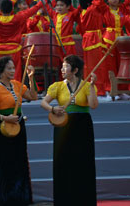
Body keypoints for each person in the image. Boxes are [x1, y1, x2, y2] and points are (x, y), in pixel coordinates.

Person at [40, 55, 98, 205]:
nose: (62, 69)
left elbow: (93, 105)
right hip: (63, 126)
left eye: (65, 67)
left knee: (83, 161)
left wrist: (92, 86)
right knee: (63, 161)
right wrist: (53, 109)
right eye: (62, 67)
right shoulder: (58, 86)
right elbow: (44, 102)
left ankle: (84, 200)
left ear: (75, 70)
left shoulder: (86, 85)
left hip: (82, 126)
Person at [0, 56, 38, 206]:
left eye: (13, 68)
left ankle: (22, 197)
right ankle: (8, 199)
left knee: (21, 160)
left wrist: (31, 78)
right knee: (8, 162)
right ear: (1, 71)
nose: (13, 70)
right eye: (9, 68)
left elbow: (33, 97)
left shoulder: (16, 85)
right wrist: (5, 118)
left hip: (18, 125)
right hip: (4, 127)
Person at [78, 0, 108, 95]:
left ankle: (93, 89)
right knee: (97, 66)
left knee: (91, 66)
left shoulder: (86, 10)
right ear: (90, 3)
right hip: (93, 40)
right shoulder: (91, 10)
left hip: (90, 40)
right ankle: (98, 91)